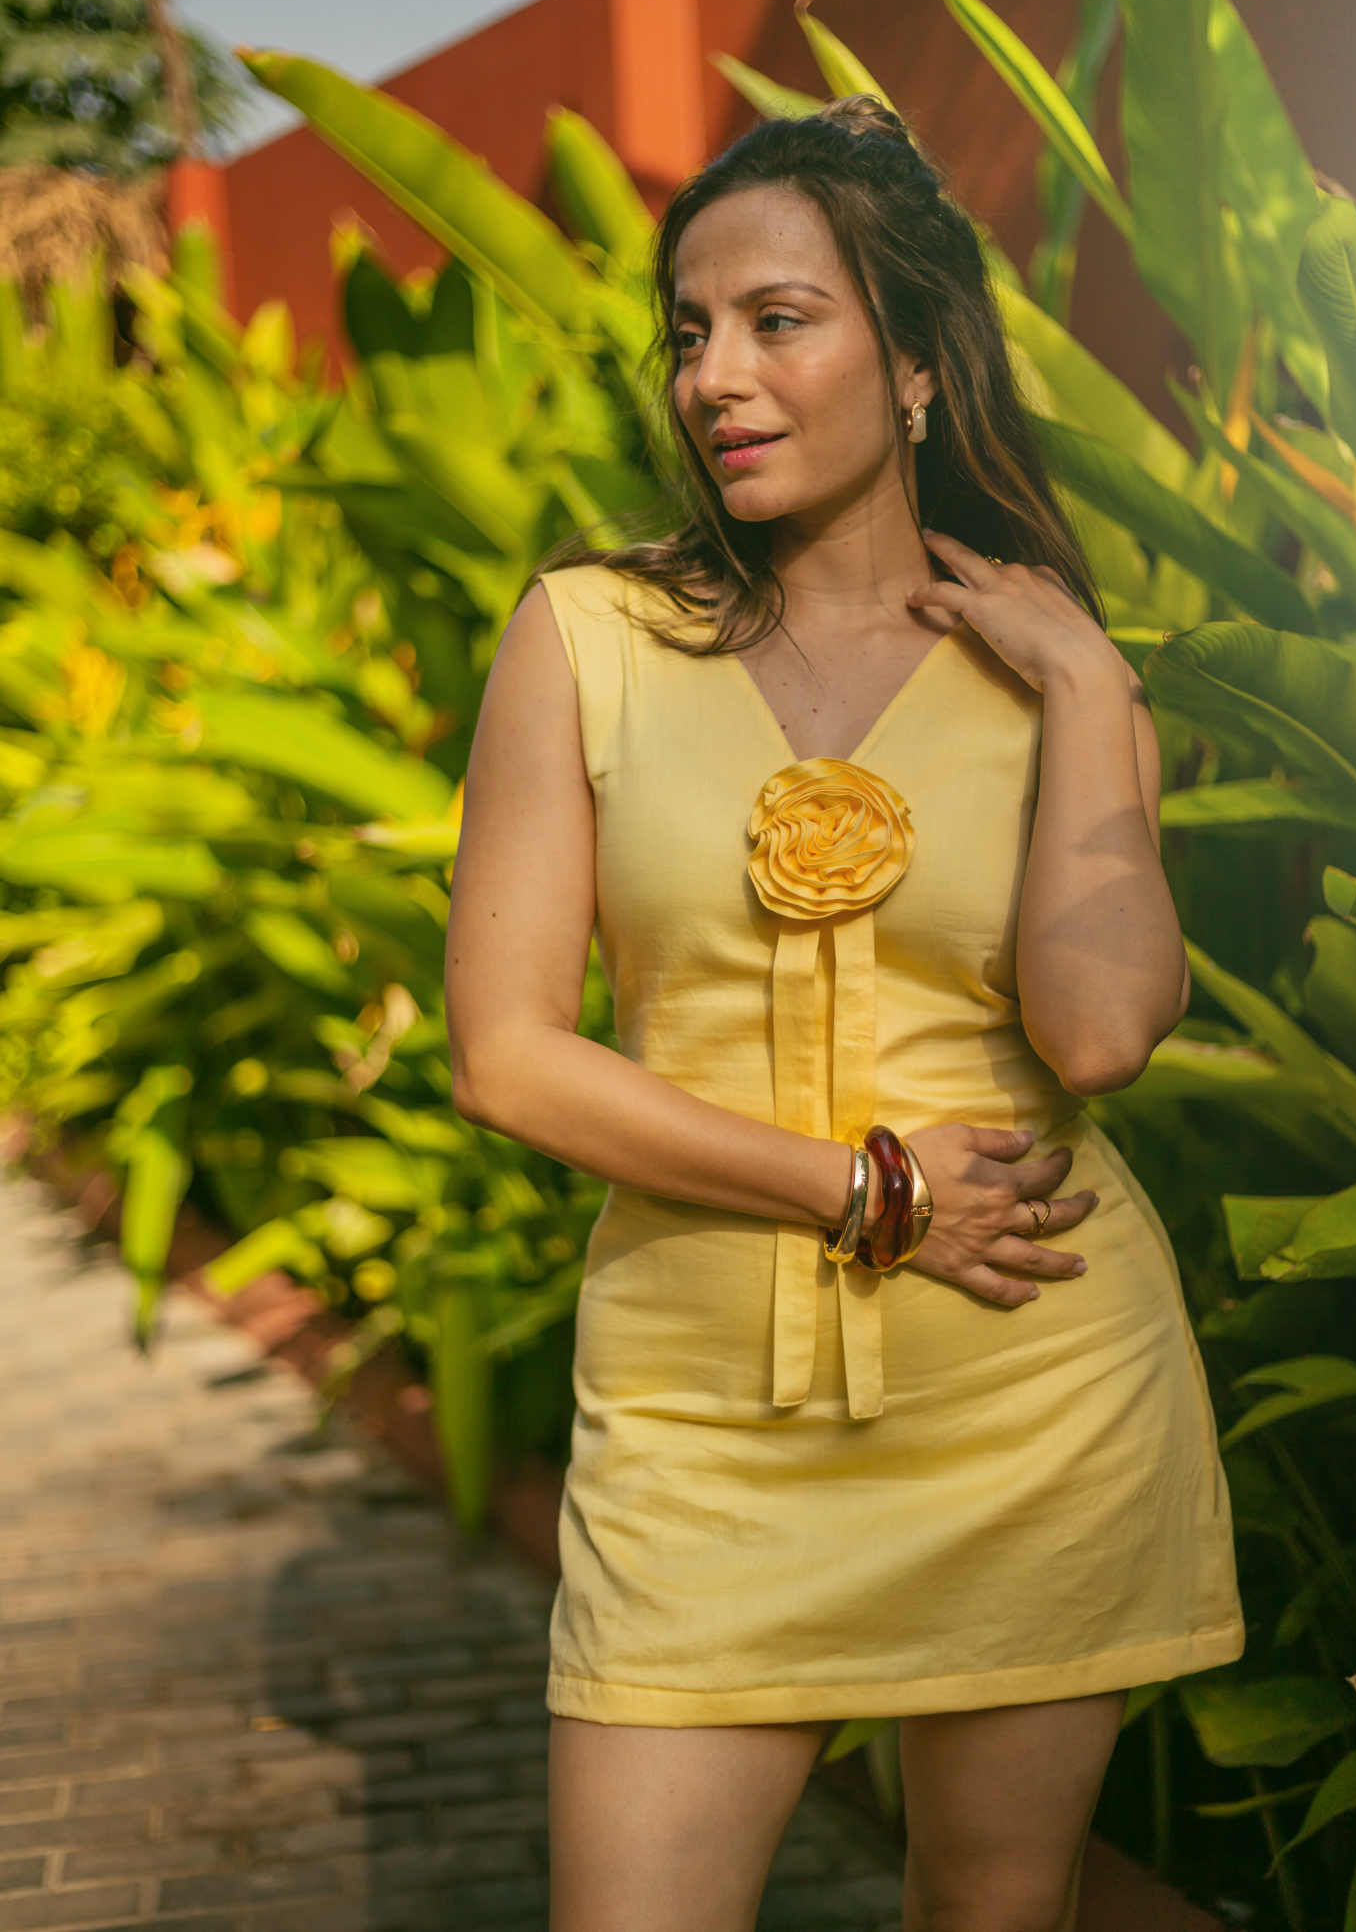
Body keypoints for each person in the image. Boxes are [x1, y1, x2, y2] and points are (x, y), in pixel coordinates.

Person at [445, 97, 1242, 1932]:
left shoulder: (1042, 664)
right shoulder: (586, 636)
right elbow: (508, 1056)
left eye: (776, 321)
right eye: (688, 331)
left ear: (916, 363)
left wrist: (1091, 690)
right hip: (697, 1420)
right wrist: (865, 1188)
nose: (714, 376)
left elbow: (1099, 1035)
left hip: (1030, 1386)